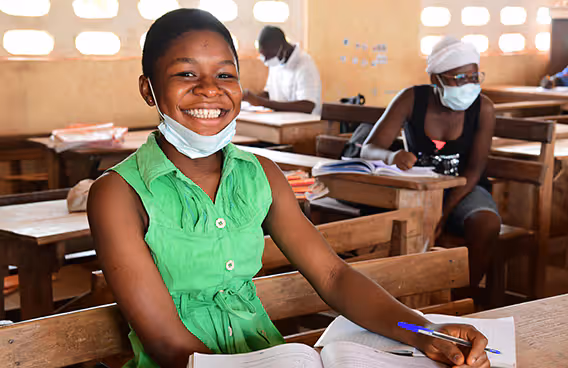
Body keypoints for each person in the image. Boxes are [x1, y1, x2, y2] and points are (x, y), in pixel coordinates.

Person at [87, 11, 490, 368]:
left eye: (226, 74)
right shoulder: (118, 194)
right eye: (186, 73)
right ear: (148, 89)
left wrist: (423, 331)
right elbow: (166, 342)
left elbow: (333, 276)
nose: (210, 89)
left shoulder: (260, 175)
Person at [361, 36, 501, 292]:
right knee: (379, 225)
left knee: (486, 223)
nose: (468, 85)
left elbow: (473, 172)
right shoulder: (411, 99)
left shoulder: (483, 109)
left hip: (464, 189)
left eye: (473, 77)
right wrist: (393, 156)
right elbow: (369, 148)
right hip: (418, 190)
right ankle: (400, 293)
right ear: (435, 79)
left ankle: (464, 297)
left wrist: (443, 212)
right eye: (458, 79)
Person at [242, 26, 322, 114]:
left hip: (304, 124)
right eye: (263, 56)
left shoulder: (305, 65)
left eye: (269, 55)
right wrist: (249, 99)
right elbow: (269, 93)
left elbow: (308, 106)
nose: (265, 60)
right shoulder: (277, 61)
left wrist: (261, 102)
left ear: (281, 46)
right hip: (280, 120)